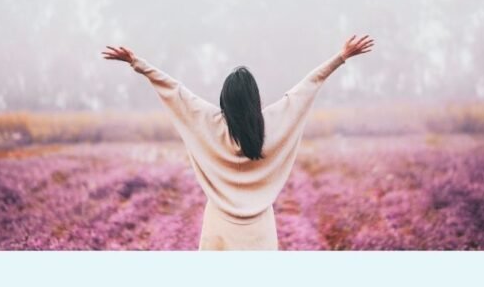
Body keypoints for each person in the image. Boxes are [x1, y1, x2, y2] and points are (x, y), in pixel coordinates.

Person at [102, 35, 374, 250]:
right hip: (259, 230)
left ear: (225, 99)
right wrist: (341, 57)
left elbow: (175, 90)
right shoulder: (273, 123)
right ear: (255, 98)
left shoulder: (209, 122)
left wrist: (137, 63)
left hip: (219, 226)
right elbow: (308, 86)